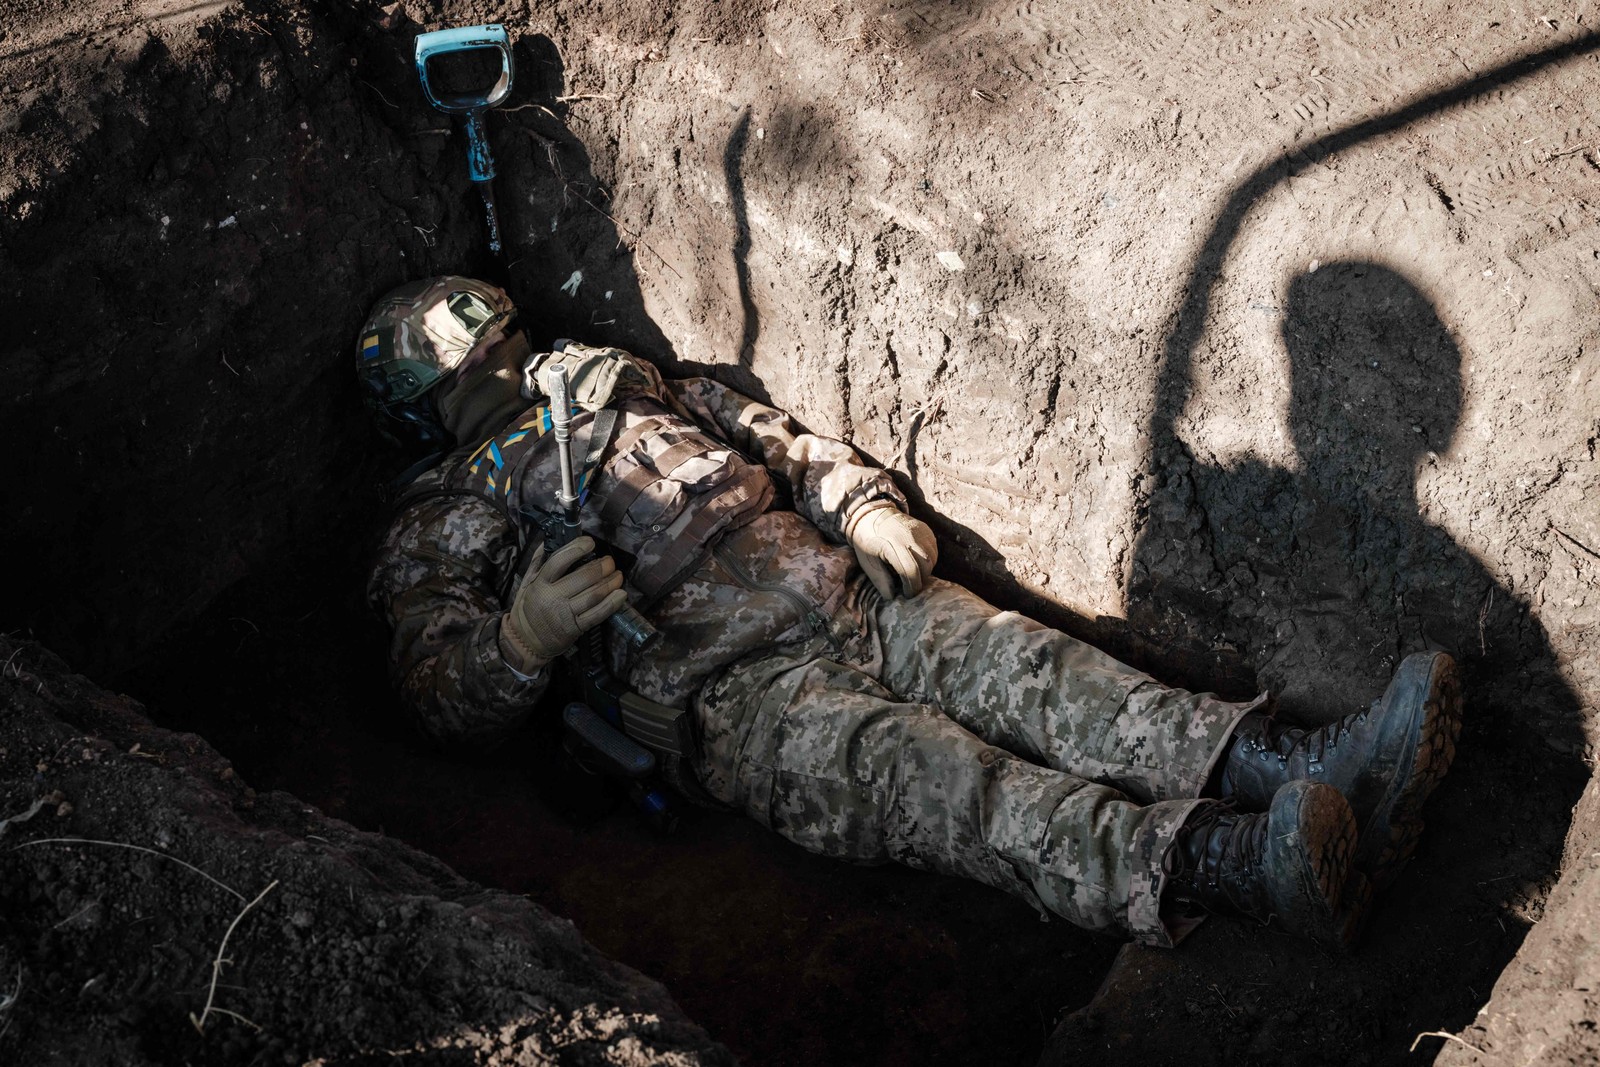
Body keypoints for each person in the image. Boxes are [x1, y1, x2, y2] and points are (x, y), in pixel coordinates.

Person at [359, 276, 1462, 950]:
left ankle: (1301, 762)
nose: (509, 364)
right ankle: (1233, 863)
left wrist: (862, 503)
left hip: (841, 586)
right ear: (427, 408)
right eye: (476, 367)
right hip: (733, 700)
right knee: (947, 784)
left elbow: (766, 432)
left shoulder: (615, 380)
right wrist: (521, 638)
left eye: (504, 341)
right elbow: (437, 694)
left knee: (1039, 669)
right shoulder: (443, 516)